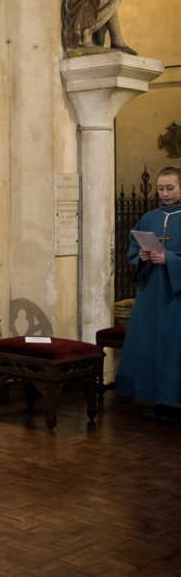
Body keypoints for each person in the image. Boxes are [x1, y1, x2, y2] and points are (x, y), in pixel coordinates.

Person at [115, 166, 181, 418]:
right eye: (161, 188)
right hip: (151, 292)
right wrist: (142, 256)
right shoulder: (149, 217)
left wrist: (171, 260)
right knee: (150, 344)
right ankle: (153, 397)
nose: (164, 193)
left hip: (175, 295)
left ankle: (174, 401)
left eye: (170, 188)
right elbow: (133, 251)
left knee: (173, 346)